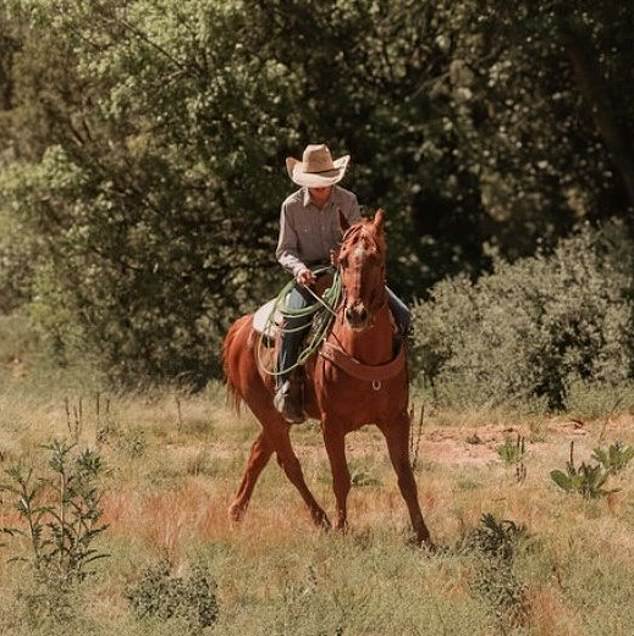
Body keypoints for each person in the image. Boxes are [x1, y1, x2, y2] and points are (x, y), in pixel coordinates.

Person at [274, 143, 410, 423]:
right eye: (316, 183)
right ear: (306, 182)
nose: (322, 188)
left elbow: (359, 240)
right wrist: (299, 270)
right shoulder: (291, 207)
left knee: (403, 315)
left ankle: (397, 381)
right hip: (310, 275)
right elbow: (284, 250)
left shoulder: (348, 200)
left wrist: (349, 261)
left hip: (348, 272)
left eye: (326, 182)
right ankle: (286, 386)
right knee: (291, 322)